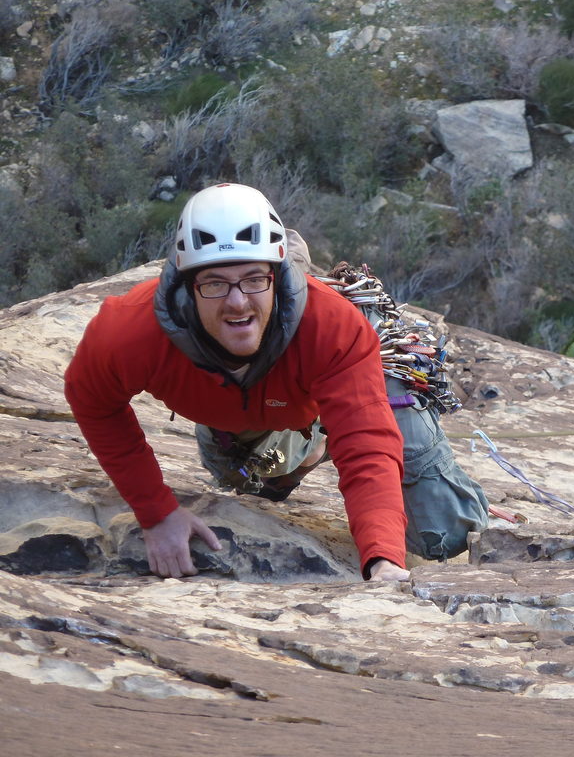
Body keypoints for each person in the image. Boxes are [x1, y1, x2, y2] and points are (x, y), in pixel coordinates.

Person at [64, 183, 488, 581]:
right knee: (248, 483)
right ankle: (311, 443)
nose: (236, 301)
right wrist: (156, 512)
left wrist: (382, 558)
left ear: (276, 273)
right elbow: (93, 401)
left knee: (443, 533)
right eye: (214, 282)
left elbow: (367, 444)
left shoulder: (333, 329)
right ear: (186, 284)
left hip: (350, 372)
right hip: (259, 404)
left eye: (254, 279)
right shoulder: (128, 331)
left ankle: (364, 429)